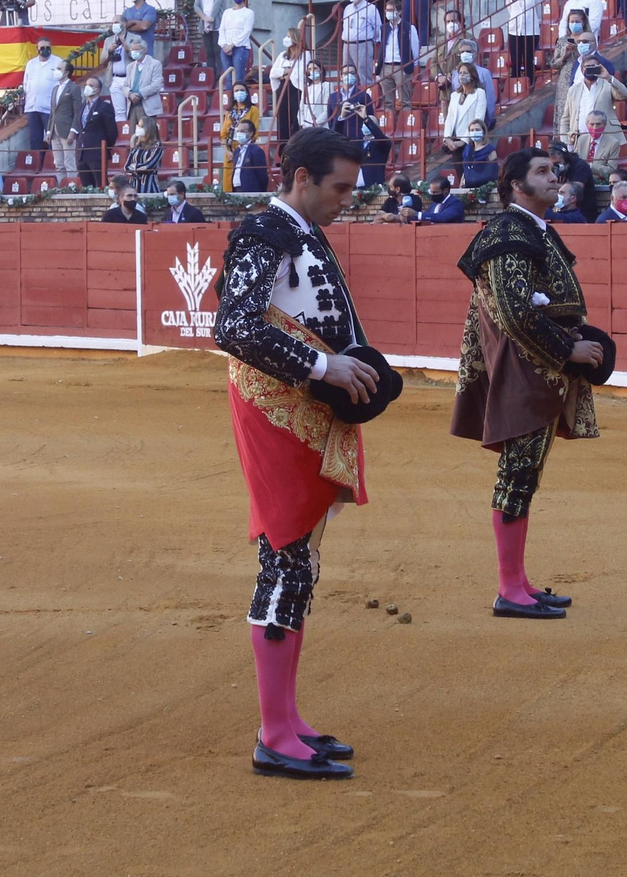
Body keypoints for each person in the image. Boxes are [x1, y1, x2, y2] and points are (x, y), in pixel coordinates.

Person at [213, 128, 382, 779]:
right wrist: (321, 367)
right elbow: (234, 325)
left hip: (300, 413)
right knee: (284, 562)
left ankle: (287, 717)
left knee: (300, 563)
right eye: (339, 187)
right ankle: (274, 731)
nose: (347, 199)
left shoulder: (301, 234)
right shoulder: (269, 232)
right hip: (279, 416)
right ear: (302, 177)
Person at [451, 147, 603, 621]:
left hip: (535, 366)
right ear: (517, 185)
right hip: (525, 367)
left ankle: (518, 582)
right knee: (517, 474)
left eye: (554, 169)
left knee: (525, 474)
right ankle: (508, 589)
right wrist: (567, 349)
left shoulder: (533, 231)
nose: (554, 176)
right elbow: (516, 311)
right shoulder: (509, 233)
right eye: (541, 172)